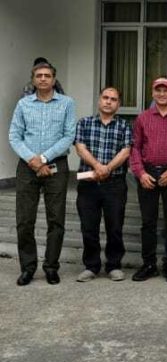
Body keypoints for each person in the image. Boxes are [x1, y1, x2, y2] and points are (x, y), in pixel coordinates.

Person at [9, 61, 76, 286]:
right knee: (24, 220)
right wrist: (34, 161)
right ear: (33, 79)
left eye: (47, 75)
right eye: (39, 75)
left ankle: (51, 267)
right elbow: (14, 136)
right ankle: (28, 268)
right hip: (27, 167)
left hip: (56, 166)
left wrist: (44, 159)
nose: (43, 79)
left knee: (56, 220)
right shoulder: (23, 104)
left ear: (54, 79)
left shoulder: (67, 103)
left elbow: (68, 136)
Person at [73, 87, 132, 282]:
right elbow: (80, 148)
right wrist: (98, 166)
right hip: (88, 184)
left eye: (113, 99)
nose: (108, 101)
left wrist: (107, 169)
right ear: (99, 100)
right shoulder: (84, 123)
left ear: (118, 104)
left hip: (114, 184)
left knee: (115, 226)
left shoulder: (124, 126)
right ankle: (91, 266)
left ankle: (114, 265)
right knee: (89, 227)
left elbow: (125, 151)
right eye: (105, 98)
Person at [129, 77, 167, 282]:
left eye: (166, 90)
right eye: (158, 90)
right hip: (148, 174)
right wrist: (140, 173)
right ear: (152, 93)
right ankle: (148, 264)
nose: (162, 94)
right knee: (148, 222)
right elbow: (135, 147)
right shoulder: (142, 118)